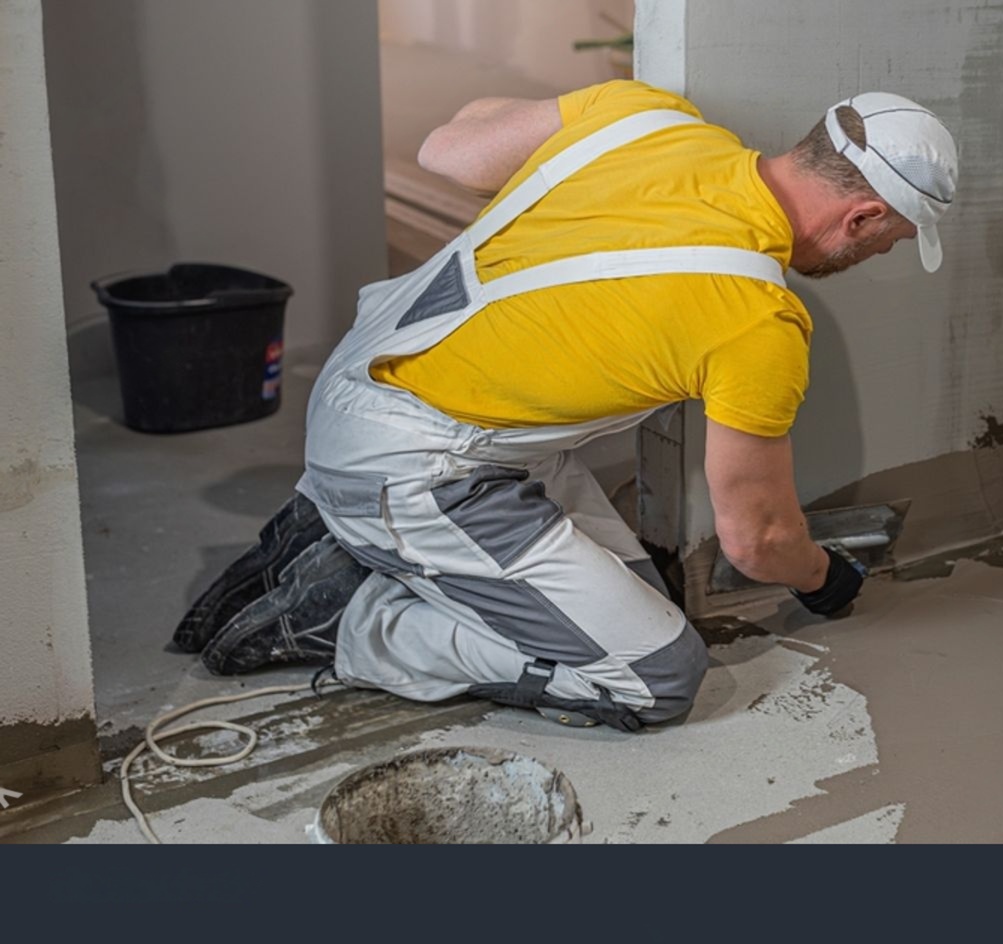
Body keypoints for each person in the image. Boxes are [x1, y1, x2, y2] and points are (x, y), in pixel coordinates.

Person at [172, 80, 958, 732]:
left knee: (644, 603)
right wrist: (825, 578)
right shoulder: (759, 322)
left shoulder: (649, 118)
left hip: (376, 378)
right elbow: (756, 542)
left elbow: (446, 147)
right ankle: (348, 621)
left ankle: (342, 539)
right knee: (655, 678)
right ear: (861, 216)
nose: (877, 254)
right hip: (420, 462)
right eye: (887, 241)